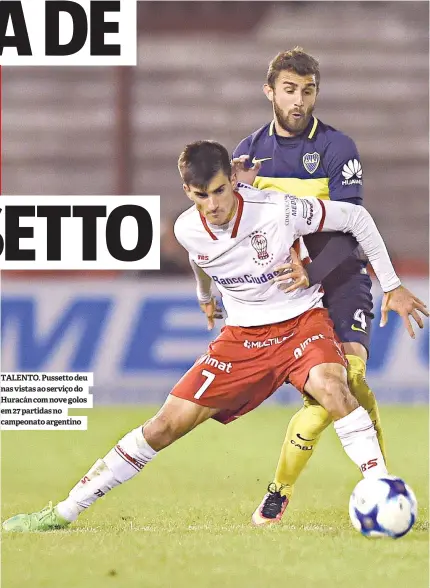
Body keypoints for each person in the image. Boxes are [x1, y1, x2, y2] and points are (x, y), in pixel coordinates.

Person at [3, 141, 426, 533]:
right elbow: (201, 259)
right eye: (201, 195)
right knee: (164, 426)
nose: (213, 204)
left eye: (221, 191)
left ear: (232, 181)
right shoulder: (188, 228)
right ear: (188, 191)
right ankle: (64, 511)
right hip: (241, 337)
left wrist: (390, 284)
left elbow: (356, 218)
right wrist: (205, 296)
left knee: (335, 388)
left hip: (301, 320)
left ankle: (381, 487)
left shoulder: (277, 209)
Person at [232, 47, 424, 524]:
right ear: (270, 91)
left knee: (346, 383)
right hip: (287, 294)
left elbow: (353, 225)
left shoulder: (338, 149)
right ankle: (369, 485)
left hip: (340, 279)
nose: (298, 101)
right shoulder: (248, 154)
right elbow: (239, 230)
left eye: (308, 90)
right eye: (289, 90)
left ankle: (292, 491)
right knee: (335, 391)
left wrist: (323, 274)